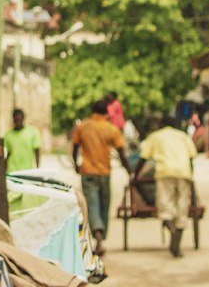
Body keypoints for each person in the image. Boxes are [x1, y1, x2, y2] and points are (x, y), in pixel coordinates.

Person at [135, 115, 197, 257]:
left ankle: (172, 228)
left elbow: (143, 158)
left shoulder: (156, 137)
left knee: (165, 203)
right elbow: (191, 157)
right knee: (182, 204)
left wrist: (135, 176)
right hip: (184, 172)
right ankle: (178, 230)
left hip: (165, 172)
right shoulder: (183, 136)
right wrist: (191, 175)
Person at [71, 100, 128, 256]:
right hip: (104, 172)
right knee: (103, 205)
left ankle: (98, 238)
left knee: (92, 205)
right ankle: (99, 238)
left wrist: (76, 164)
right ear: (106, 113)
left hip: (88, 172)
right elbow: (122, 152)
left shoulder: (82, 127)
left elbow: (75, 147)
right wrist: (129, 170)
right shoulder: (111, 128)